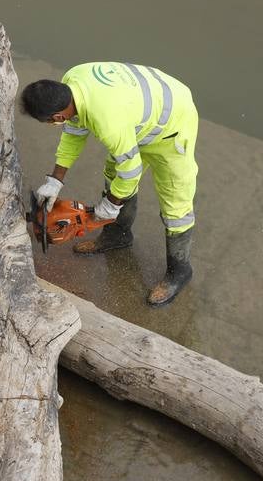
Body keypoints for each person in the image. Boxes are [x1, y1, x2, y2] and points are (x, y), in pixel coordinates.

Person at [21, 62, 199, 306]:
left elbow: (131, 170)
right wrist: (54, 181)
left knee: (175, 202)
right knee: (113, 171)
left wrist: (110, 206)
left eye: (52, 122)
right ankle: (117, 235)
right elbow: (73, 134)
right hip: (138, 117)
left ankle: (179, 271)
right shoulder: (71, 81)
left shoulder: (107, 120)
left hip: (173, 125)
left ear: (58, 116)